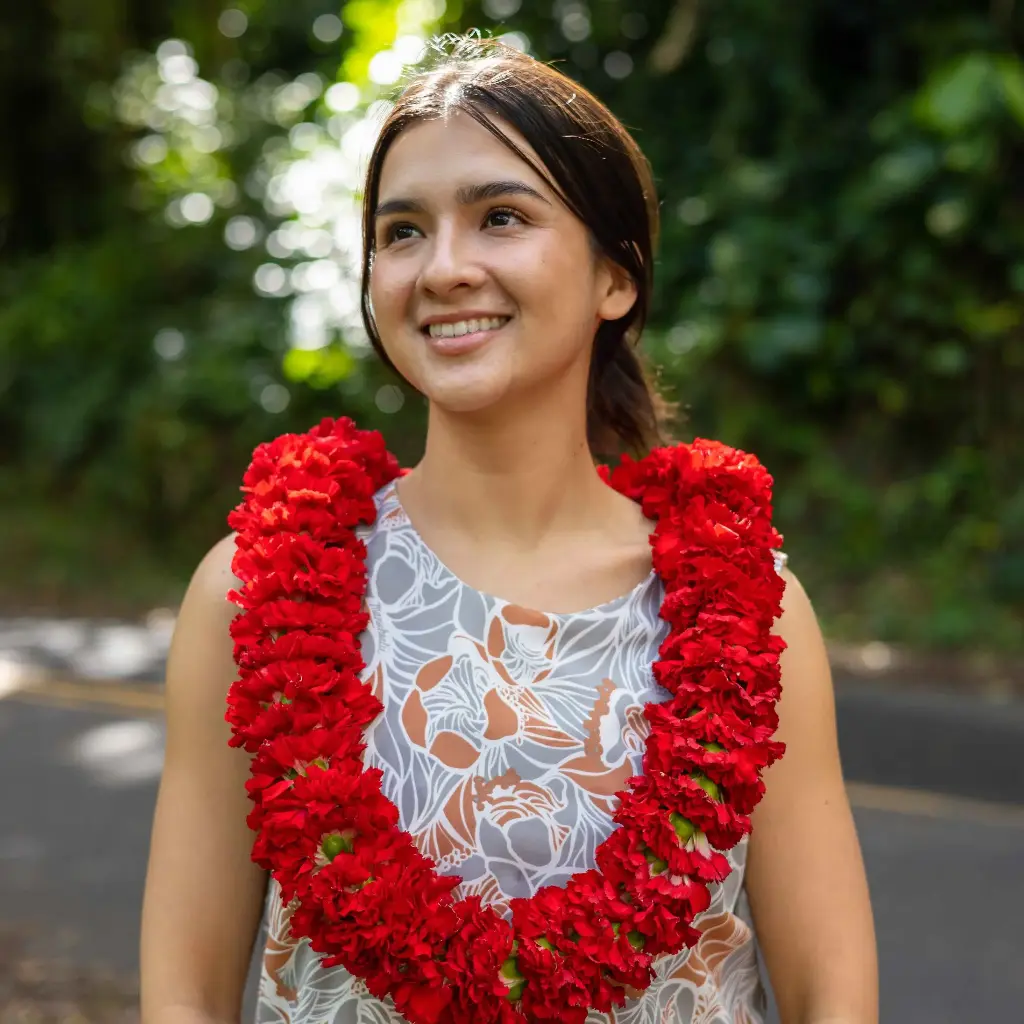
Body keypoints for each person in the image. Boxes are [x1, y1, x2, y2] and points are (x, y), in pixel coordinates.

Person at [140, 35, 877, 1024]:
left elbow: (833, 993)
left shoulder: (750, 616)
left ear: (615, 280)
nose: (443, 267)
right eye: (402, 232)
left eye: (499, 217)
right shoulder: (254, 596)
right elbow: (183, 992)